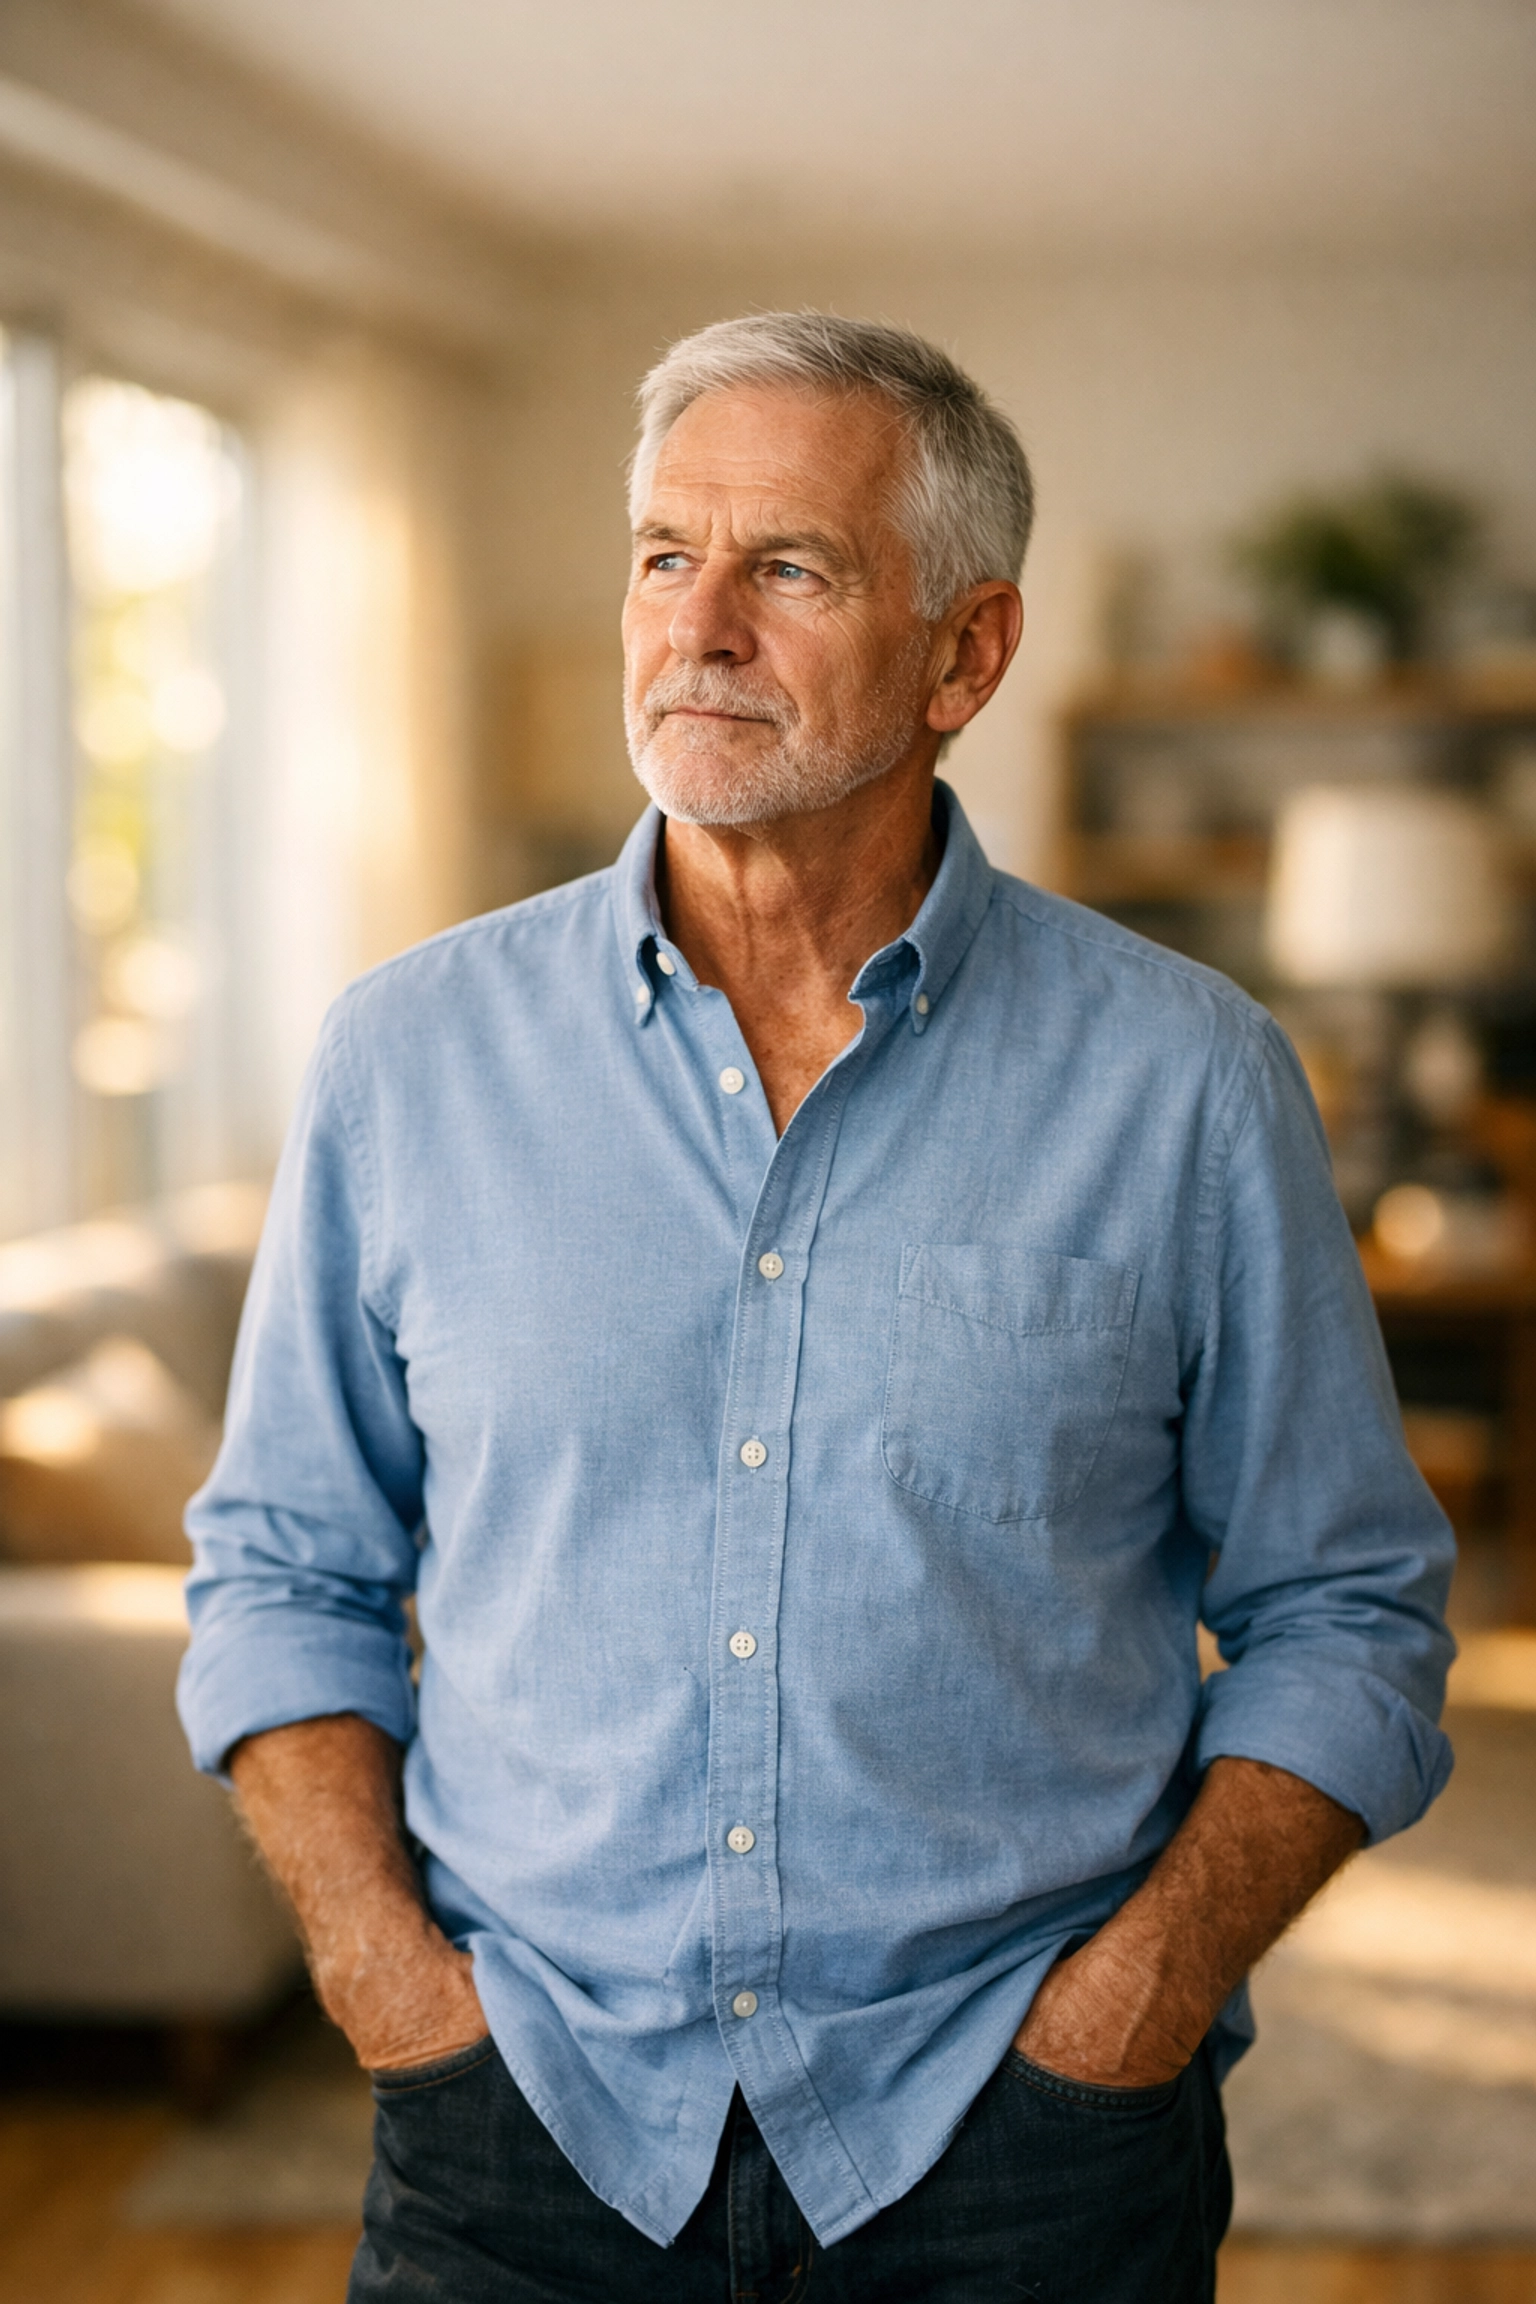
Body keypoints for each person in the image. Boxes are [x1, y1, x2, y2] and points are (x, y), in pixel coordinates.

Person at [179, 313, 1454, 2303]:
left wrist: (1135, 2005)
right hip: (527, 2128)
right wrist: (387, 1982)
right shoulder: (402, 1062)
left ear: (970, 651)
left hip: (1023, 2156)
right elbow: (281, 1564)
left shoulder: (1189, 1085)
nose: (700, 627)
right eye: (666, 555)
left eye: (790, 567)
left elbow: (1348, 1607)